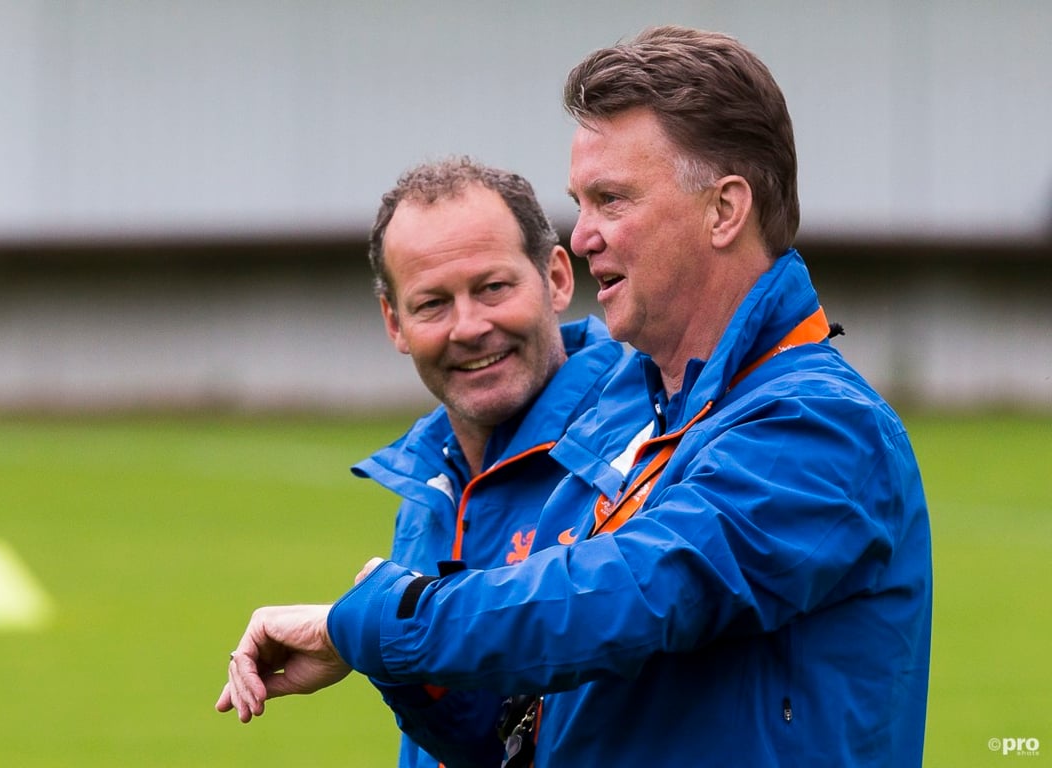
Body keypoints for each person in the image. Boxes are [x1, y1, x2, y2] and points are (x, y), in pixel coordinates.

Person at [218, 25, 932, 767]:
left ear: (724, 211)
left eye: (611, 200)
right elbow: (519, 732)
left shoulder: (819, 423)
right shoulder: (645, 424)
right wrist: (402, 665)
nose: (583, 236)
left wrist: (376, 621)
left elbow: (627, 594)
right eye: (580, 203)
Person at [352, 157, 627, 767]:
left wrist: (354, 629)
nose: (469, 327)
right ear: (395, 323)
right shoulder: (429, 487)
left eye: (493, 288)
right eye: (432, 304)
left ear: (557, 278)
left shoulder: (633, 453)